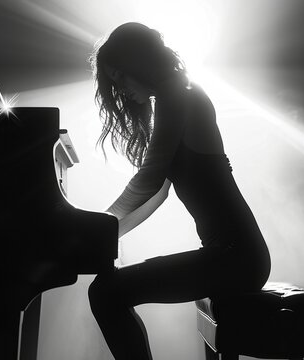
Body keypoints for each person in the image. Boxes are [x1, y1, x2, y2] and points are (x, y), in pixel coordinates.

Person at [88, 22, 271, 360]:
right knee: (108, 290)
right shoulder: (177, 94)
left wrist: (100, 226)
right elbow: (159, 194)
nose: (122, 90)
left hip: (235, 258)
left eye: (122, 77)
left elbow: (150, 178)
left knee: (105, 293)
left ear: (138, 63)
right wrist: (108, 236)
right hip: (236, 256)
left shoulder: (179, 95)